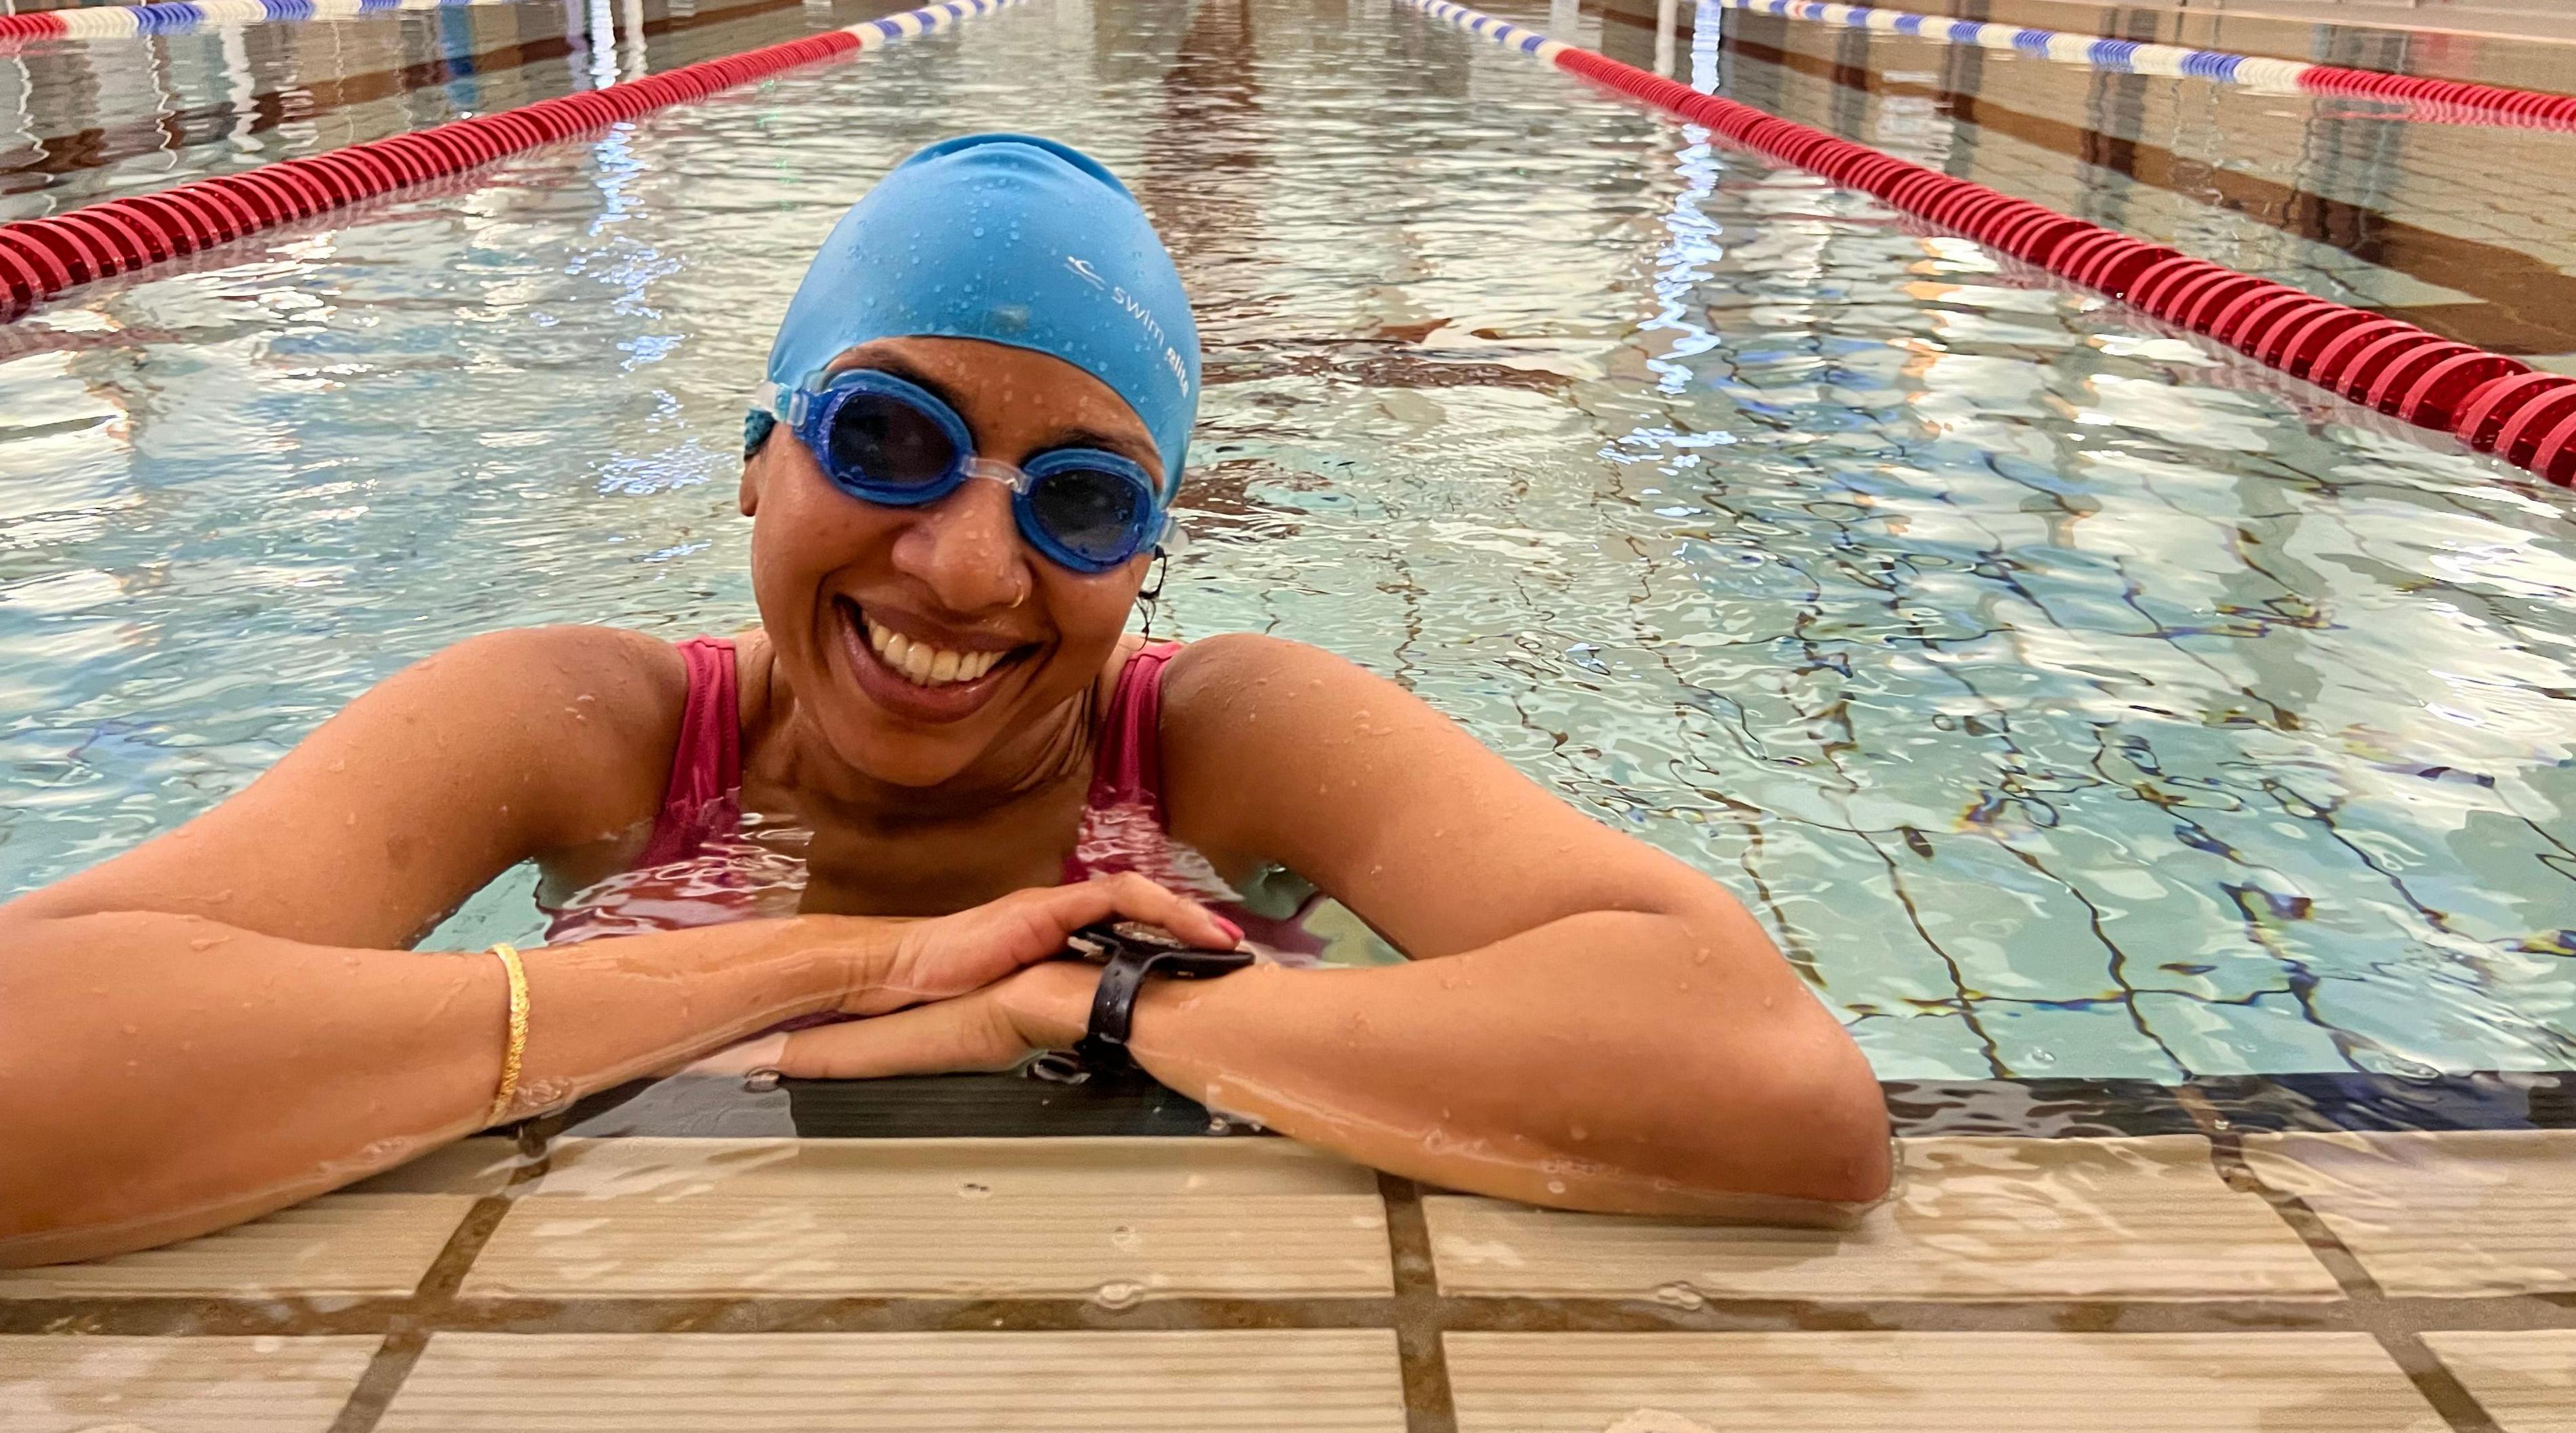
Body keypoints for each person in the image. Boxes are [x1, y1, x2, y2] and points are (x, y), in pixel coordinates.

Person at [0, 134, 1890, 1269]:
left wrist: (1088, 1004)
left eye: (1080, 501)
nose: (970, 574)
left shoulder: (1226, 737)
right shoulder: (574, 729)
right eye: (887, 439)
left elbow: (1780, 1094)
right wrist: (829, 974)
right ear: (758, 459)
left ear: (1145, 561)